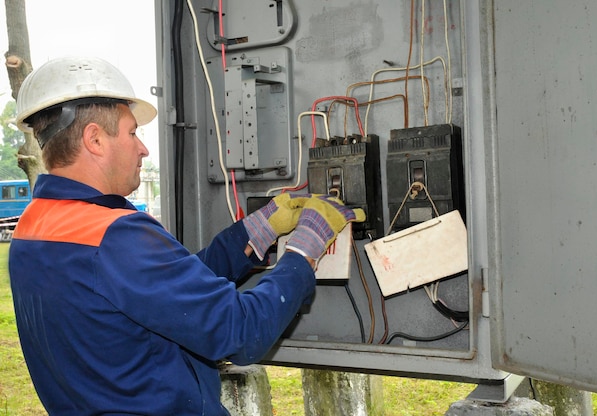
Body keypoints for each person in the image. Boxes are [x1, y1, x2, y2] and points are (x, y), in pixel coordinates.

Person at [10, 56, 365, 415]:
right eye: (132, 133)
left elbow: (159, 292)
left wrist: (255, 232)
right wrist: (303, 252)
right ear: (95, 140)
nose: (143, 148)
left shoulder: (33, 227)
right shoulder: (114, 235)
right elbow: (241, 333)